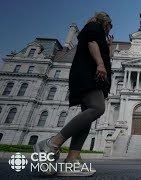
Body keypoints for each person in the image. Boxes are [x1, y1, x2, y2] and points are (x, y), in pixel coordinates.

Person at [33, 12, 113, 176]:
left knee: (87, 117)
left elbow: (103, 54)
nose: (107, 31)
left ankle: (72, 159)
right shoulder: (94, 27)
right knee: (97, 108)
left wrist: (109, 48)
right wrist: (100, 64)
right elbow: (92, 43)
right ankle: (51, 144)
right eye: (108, 27)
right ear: (105, 23)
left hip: (93, 77)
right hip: (89, 75)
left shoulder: (100, 36)